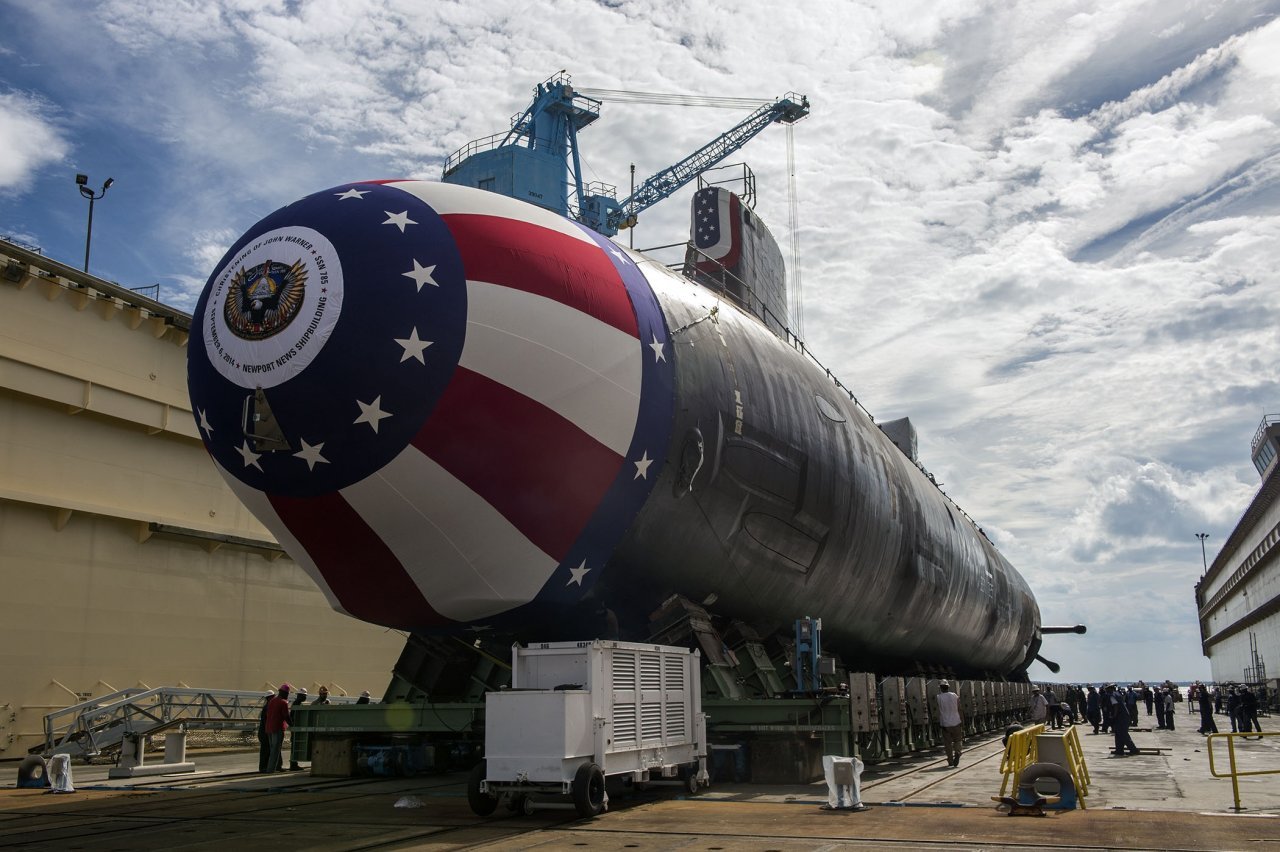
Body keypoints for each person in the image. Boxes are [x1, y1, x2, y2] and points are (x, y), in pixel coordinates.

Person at [1106, 684, 1140, 757]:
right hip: (1124, 716)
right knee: (1118, 733)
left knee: (1123, 734)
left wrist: (1113, 716)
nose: (1106, 691)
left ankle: (1133, 750)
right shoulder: (1117, 694)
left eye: (1107, 689)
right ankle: (1119, 750)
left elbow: (1116, 706)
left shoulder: (1112, 695)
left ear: (1110, 689)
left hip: (1121, 717)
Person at [264, 684, 292, 772]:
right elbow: (286, 716)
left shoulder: (272, 701)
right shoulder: (283, 702)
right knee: (275, 750)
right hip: (277, 728)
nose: (287, 695)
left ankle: (276, 767)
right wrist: (292, 724)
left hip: (268, 728)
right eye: (287, 694)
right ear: (284, 693)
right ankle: (271, 769)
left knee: (273, 748)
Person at [936, 681, 964, 767]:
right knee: (958, 740)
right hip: (956, 722)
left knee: (948, 744)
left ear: (941, 688)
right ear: (948, 687)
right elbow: (959, 709)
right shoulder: (954, 696)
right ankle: (958, 752)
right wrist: (962, 720)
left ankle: (950, 760)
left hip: (945, 724)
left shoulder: (939, 697)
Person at [256, 691, 274, 773]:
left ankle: (264, 767)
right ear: (270, 698)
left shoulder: (267, 707)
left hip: (264, 731)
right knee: (265, 751)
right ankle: (263, 767)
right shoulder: (268, 707)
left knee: (266, 750)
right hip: (265, 732)